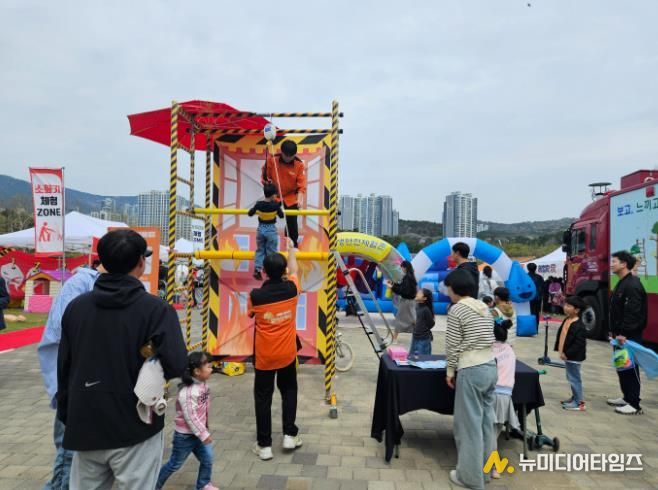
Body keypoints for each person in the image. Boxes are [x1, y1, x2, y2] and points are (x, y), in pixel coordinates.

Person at [57, 229, 188, 489]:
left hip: (86, 421)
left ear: (103, 261)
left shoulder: (77, 307)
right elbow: (177, 364)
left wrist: (67, 413)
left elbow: (64, 367)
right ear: (141, 262)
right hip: (136, 422)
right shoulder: (157, 310)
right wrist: (149, 353)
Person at [38, 261, 102, 490]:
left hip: (90, 384)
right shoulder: (80, 284)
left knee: (79, 455)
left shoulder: (102, 284)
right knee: (69, 453)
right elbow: (62, 332)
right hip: (73, 383)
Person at [249, 238, 303, 461]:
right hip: (287, 354)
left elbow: (250, 314)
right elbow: (295, 270)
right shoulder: (292, 289)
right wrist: (291, 250)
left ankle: (264, 446)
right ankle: (290, 435)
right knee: (289, 391)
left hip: (264, 356)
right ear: (284, 272)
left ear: (264, 272)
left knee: (263, 398)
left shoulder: (255, 296)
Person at [444, 269, 496, 490]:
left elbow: (452, 344)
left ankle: (470, 478)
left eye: (448, 287)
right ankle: (485, 472)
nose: (447, 291)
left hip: (471, 368)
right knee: (486, 423)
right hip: (490, 366)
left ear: (454, 288)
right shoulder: (483, 306)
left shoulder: (457, 309)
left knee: (468, 426)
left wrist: (450, 371)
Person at [156, 351, 218, 490]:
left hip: (199, 433)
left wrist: (203, 429)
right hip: (185, 436)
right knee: (175, 464)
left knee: (207, 458)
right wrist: (203, 434)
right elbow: (191, 417)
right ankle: (154, 485)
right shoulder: (188, 392)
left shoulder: (203, 385)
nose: (211, 368)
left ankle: (203, 484)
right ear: (197, 371)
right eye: (208, 366)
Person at [607, 251, 647, 415]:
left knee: (630, 368)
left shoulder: (632, 285)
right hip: (619, 335)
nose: (611, 264)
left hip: (628, 336)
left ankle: (635, 404)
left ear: (624, 264)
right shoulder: (623, 282)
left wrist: (624, 333)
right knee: (622, 366)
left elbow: (633, 313)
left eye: (614, 261)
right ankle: (627, 397)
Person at [262, 139, 306, 248]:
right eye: (286, 155)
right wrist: (267, 183)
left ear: (294, 154)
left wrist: (300, 199)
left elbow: (301, 185)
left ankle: (292, 246)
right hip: (274, 195)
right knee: (267, 218)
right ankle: (265, 243)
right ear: (281, 152)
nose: (287, 158)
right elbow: (265, 177)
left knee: (292, 223)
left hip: (290, 197)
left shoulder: (299, 165)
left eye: (290, 156)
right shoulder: (272, 160)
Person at [491, 317, 520, 479]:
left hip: (491, 395)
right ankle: (493, 466)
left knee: (488, 434)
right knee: (494, 433)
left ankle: (493, 466)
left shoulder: (488, 350)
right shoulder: (510, 350)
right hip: (505, 397)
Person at [554, 296, 587, 411]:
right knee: (571, 377)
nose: (565, 307)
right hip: (568, 356)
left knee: (574, 379)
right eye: (565, 305)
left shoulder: (579, 325)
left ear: (577, 310)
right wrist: (559, 349)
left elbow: (579, 344)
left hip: (574, 357)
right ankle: (575, 398)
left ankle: (579, 403)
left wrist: (567, 353)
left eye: (569, 306)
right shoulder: (567, 319)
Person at [249, 183, 284, 281]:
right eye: (275, 194)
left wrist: (256, 210)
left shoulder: (259, 204)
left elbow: (250, 213)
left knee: (260, 250)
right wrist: (278, 206)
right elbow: (281, 216)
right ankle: (270, 270)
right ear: (273, 195)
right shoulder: (275, 205)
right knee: (271, 251)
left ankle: (257, 269)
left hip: (261, 229)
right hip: (271, 229)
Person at [386, 261, 418, 343]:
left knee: (399, 319)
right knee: (413, 319)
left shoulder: (407, 277)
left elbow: (403, 290)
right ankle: (420, 335)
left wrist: (392, 287)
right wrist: (393, 284)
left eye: (402, 267)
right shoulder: (411, 276)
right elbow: (402, 287)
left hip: (406, 302)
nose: (401, 269)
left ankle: (394, 339)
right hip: (411, 301)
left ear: (405, 267)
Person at [409, 288, 435, 356]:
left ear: (425, 298)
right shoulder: (416, 306)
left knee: (423, 358)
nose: (417, 293)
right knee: (412, 357)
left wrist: (423, 328)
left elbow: (431, 323)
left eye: (420, 293)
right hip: (415, 336)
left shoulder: (426, 310)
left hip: (423, 339)